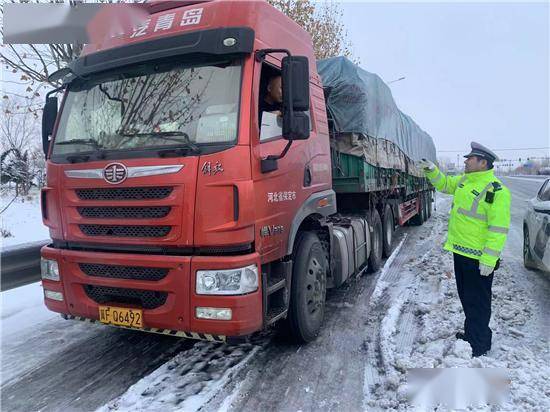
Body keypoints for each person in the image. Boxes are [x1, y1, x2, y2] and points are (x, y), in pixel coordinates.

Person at [419, 142, 511, 357]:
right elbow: (443, 184)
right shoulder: (463, 181)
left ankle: (480, 344)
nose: (466, 161)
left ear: (483, 163)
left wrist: (490, 259)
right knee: (467, 298)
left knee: (478, 301)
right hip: (461, 252)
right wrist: (432, 170)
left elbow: (498, 229)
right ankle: (472, 335)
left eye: (470, 159)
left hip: (479, 259)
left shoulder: (496, 190)